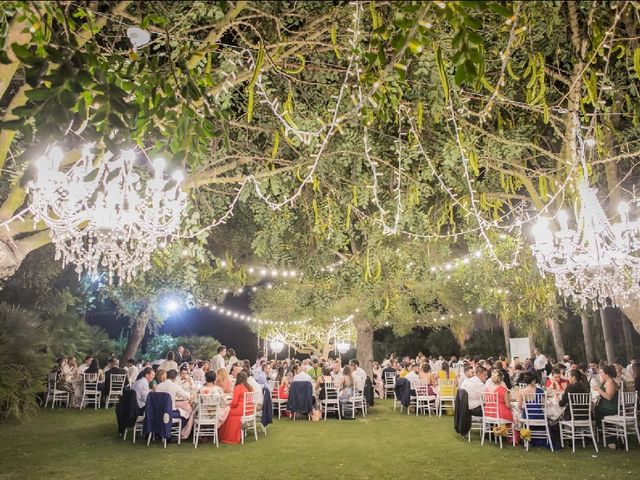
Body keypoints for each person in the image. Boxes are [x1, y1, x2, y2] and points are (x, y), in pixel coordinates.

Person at [156, 369, 194, 439]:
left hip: (158, 411)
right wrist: (193, 395)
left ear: (166, 376)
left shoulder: (159, 386)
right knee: (187, 413)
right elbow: (186, 395)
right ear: (175, 377)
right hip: (170, 412)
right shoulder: (174, 386)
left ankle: (170, 431)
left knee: (182, 411)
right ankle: (176, 433)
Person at [219, 371, 253, 444]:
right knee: (226, 411)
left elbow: (234, 404)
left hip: (241, 410)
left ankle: (228, 436)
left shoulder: (238, 387)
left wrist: (229, 404)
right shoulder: (248, 386)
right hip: (249, 409)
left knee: (225, 413)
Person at [593, 365, 620, 449]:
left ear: (607, 374)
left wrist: (598, 389)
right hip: (604, 407)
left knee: (596, 412)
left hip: (610, 409)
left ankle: (610, 439)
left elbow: (609, 397)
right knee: (595, 411)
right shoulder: (605, 382)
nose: (600, 374)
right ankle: (602, 438)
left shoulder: (610, 382)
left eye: (601, 373)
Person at [485, 369, 516, 443]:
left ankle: (503, 434)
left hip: (488, 413)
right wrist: (512, 407)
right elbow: (508, 405)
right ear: (501, 379)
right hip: (500, 413)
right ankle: (511, 438)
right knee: (515, 415)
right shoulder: (503, 389)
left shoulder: (487, 389)